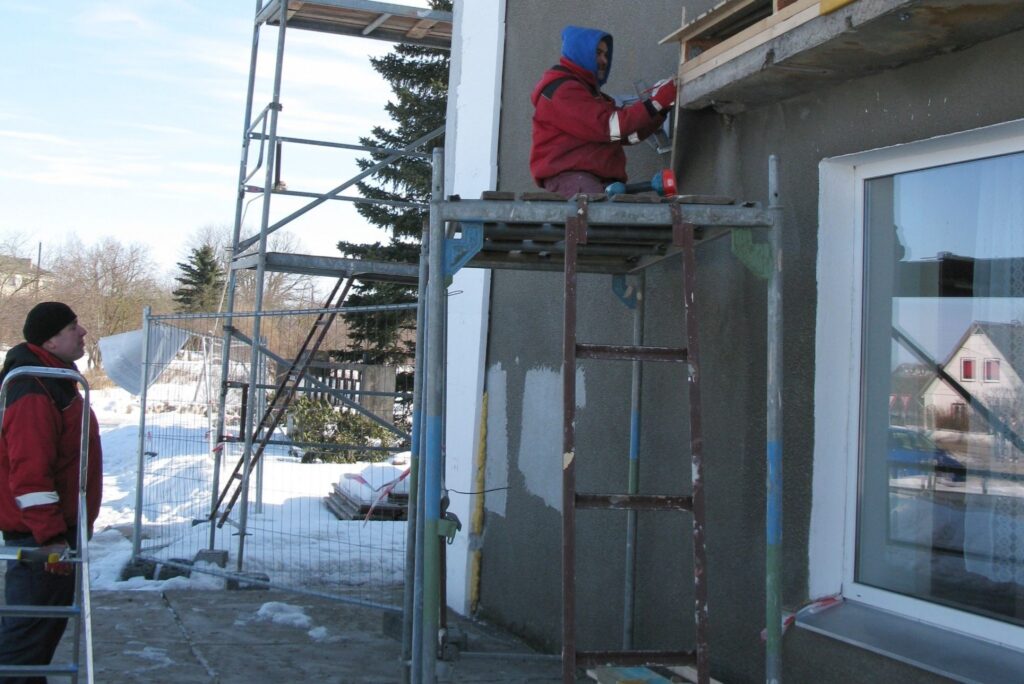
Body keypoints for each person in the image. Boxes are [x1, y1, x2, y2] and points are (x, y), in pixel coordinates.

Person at [0, 302, 102, 681]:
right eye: (73, 327)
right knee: (25, 642)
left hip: (56, 532)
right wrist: (51, 538)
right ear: (51, 339)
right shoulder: (35, 387)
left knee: (37, 636)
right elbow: (29, 476)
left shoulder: (54, 377)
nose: (83, 332)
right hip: (41, 539)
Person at [530, 25, 678, 198]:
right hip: (576, 180)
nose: (604, 60)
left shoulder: (588, 94)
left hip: (592, 182)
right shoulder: (564, 90)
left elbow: (627, 136)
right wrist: (656, 102)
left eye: (606, 55)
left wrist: (660, 110)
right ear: (581, 52)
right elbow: (608, 127)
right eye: (598, 53)